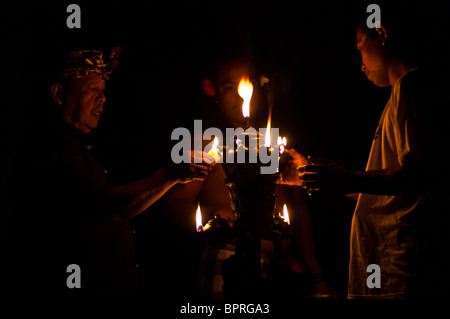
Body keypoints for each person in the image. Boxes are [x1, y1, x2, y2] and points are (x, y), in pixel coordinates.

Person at [10, 48, 214, 299]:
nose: (103, 98)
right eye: (92, 88)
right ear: (58, 94)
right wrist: (171, 175)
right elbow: (102, 207)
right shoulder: (54, 149)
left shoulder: (78, 148)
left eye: (103, 89)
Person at [280, 8, 450, 298]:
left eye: (361, 48)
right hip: (384, 266)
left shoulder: (413, 87)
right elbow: (393, 189)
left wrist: (346, 179)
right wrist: (316, 176)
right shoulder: (399, 96)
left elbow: (419, 176)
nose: (361, 65)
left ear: (382, 34)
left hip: (402, 267)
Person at [164, 54, 335, 298]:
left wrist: (316, 276)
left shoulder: (276, 144)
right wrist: (214, 219)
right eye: (228, 86)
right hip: (226, 260)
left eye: (246, 84)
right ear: (214, 92)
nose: (239, 95)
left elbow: (299, 212)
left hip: (279, 268)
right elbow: (174, 203)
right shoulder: (205, 143)